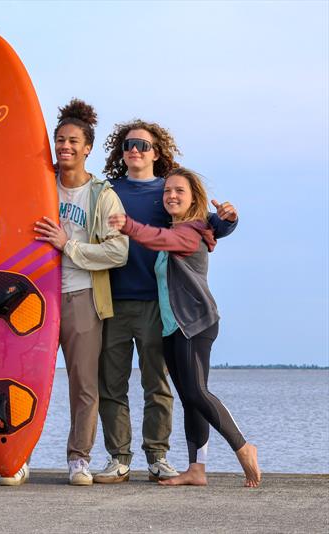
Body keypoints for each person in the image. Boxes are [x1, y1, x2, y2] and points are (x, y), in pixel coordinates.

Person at [95, 120, 239, 483]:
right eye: (128, 144)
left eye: (143, 145)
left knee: (156, 384)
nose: (134, 150)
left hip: (155, 305)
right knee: (111, 385)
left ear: (156, 153)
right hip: (111, 299)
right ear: (121, 151)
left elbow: (203, 225)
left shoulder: (169, 191)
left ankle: (157, 455)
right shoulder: (107, 190)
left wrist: (227, 221)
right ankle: (118, 458)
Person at [108, 167, 260, 487]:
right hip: (172, 328)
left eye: (179, 190)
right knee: (190, 398)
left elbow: (162, 239)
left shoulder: (190, 231)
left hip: (194, 325)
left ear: (194, 198)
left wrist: (129, 226)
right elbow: (212, 226)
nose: (171, 195)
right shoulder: (189, 227)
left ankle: (244, 447)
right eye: (167, 191)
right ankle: (197, 469)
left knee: (197, 392)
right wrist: (227, 221)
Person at [33, 99, 128, 487]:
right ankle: (19, 455)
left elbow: (118, 251)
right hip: (34, 297)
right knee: (29, 377)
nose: (65, 147)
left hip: (82, 295)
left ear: (88, 147)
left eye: (73, 141)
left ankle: (79, 458)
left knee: (84, 384)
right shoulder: (36, 182)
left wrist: (68, 246)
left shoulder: (101, 194)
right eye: (59, 140)